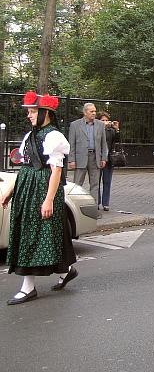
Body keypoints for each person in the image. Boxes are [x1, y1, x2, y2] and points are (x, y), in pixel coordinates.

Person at [1, 91, 78, 305]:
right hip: (27, 188)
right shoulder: (30, 135)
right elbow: (27, 165)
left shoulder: (54, 137)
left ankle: (28, 287)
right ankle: (66, 271)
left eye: (33, 111)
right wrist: (10, 190)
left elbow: (56, 171)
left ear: (46, 113)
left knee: (35, 235)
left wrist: (48, 199)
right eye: (29, 112)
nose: (29, 115)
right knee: (42, 234)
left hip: (42, 189)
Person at [68, 103, 108, 204]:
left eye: (95, 111)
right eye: (91, 111)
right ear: (85, 112)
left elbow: (103, 143)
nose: (94, 113)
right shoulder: (75, 125)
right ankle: (76, 206)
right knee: (77, 184)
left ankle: (94, 208)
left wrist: (104, 158)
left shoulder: (100, 124)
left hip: (95, 158)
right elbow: (71, 143)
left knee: (95, 185)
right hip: (80, 158)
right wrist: (71, 159)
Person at [96, 111, 120, 212]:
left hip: (109, 159)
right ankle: (97, 202)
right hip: (97, 158)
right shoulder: (95, 129)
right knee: (96, 182)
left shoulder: (111, 130)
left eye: (106, 120)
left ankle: (106, 203)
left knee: (107, 181)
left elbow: (118, 141)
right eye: (102, 120)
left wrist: (117, 129)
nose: (105, 122)